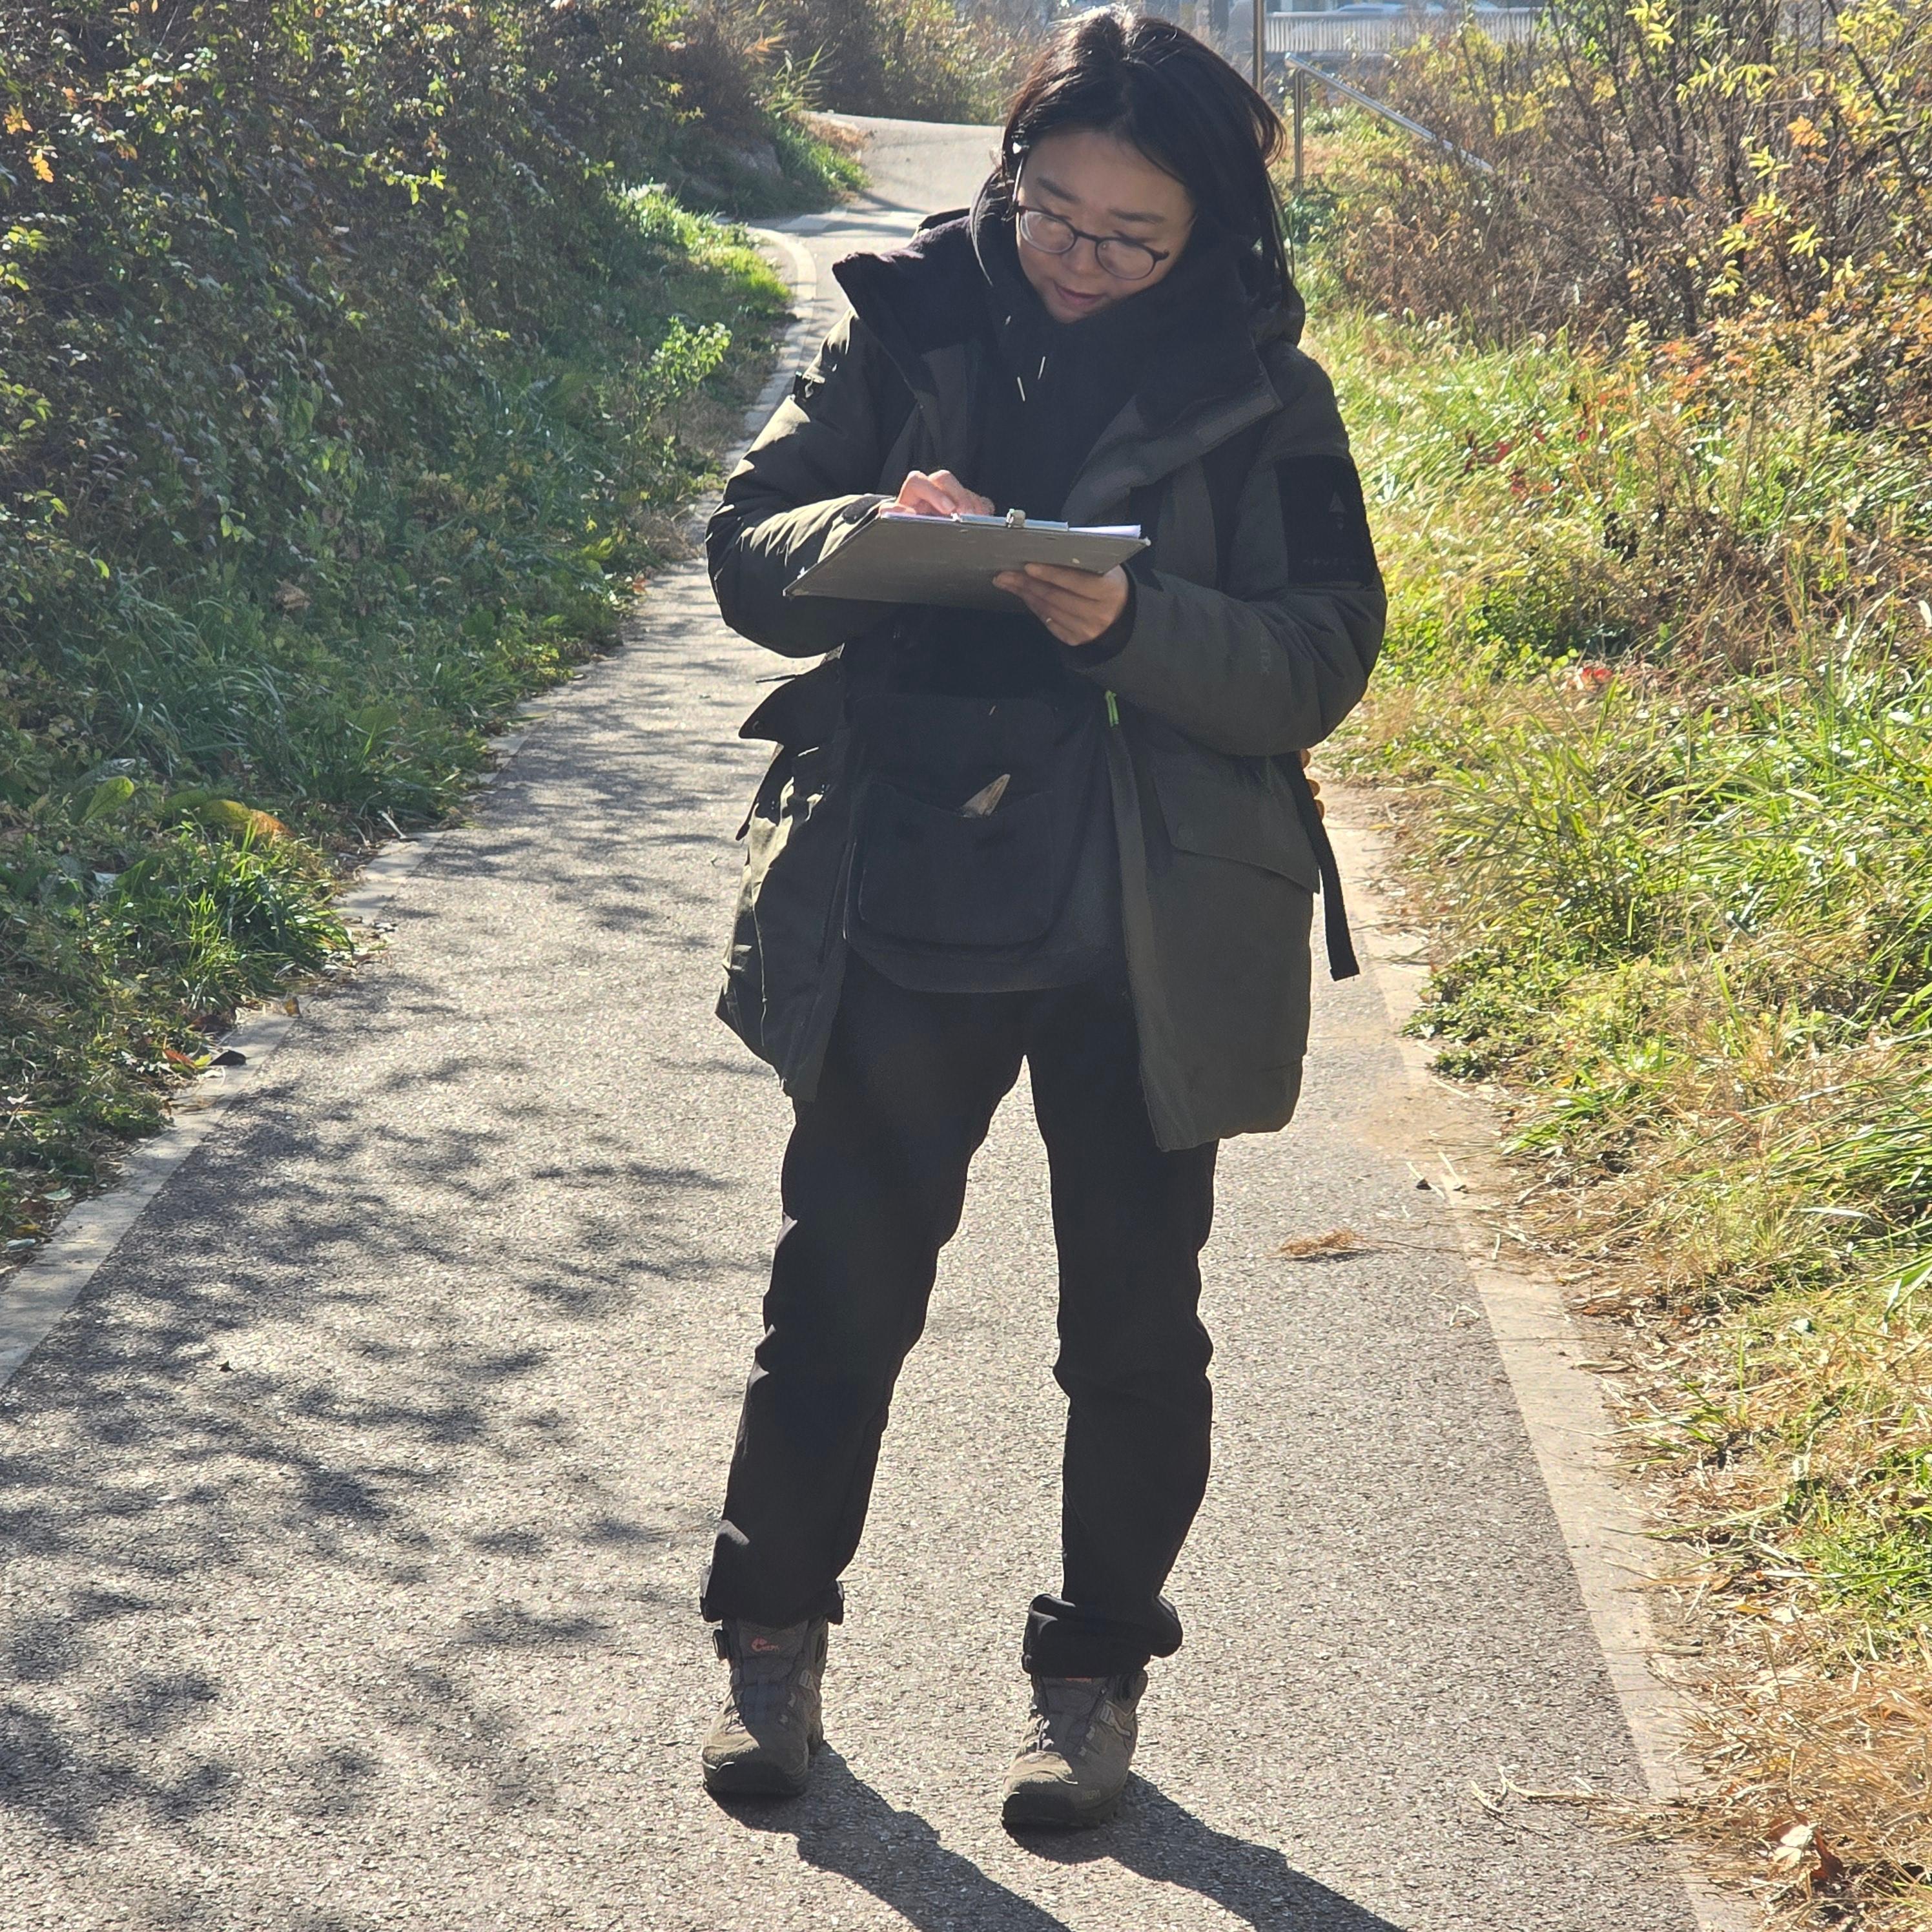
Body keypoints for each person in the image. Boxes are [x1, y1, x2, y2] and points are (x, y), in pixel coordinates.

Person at [699, 6, 1384, 1829]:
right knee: (838, 1293)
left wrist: (1134, 626)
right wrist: (872, 531)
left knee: (1134, 1333)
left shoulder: (1268, 392)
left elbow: (1321, 659)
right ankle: (770, 1648)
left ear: (1210, 231)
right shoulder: (904, 321)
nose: (1079, 261)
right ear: (1009, 176)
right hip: (909, 884)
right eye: (1051, 214)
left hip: (1147, 922)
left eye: (1131, 239)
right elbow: (750, 551)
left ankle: (1089, 1688)